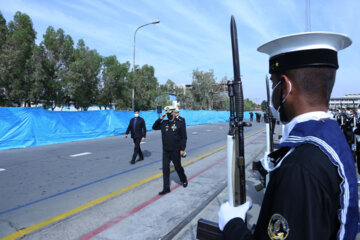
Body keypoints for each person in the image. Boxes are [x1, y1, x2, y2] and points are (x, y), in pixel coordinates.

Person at [218, 32, 358, 239]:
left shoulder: (299, 168)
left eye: (274, 82)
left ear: (286, 87)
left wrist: (232, 227)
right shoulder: (330, 135)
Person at [152, 106, 188, 195]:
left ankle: (183, 179)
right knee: (165, 169)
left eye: (170, 113)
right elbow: (154, 127)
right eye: (167, 114)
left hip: (175, 150)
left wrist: (182, 149)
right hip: (166, 151)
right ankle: (166, 188)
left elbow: (184, 137)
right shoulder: (164, 123)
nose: (168, 115)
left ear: (173, 113)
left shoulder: (179, 123)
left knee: (178, 167)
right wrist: (159, 119)